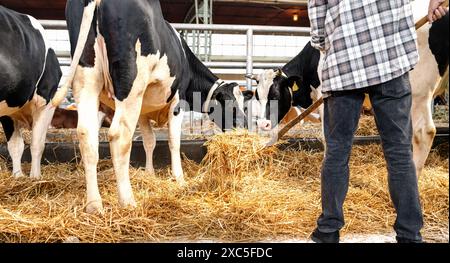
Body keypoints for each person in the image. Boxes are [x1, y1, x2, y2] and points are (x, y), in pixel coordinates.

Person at [308, 0, 448, 243]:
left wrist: (325, 43)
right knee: (399, 153)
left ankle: (329, 231)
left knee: (337, 152)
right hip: (390, 56)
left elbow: (317, 10)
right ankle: (410, 234)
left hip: (344, 60)